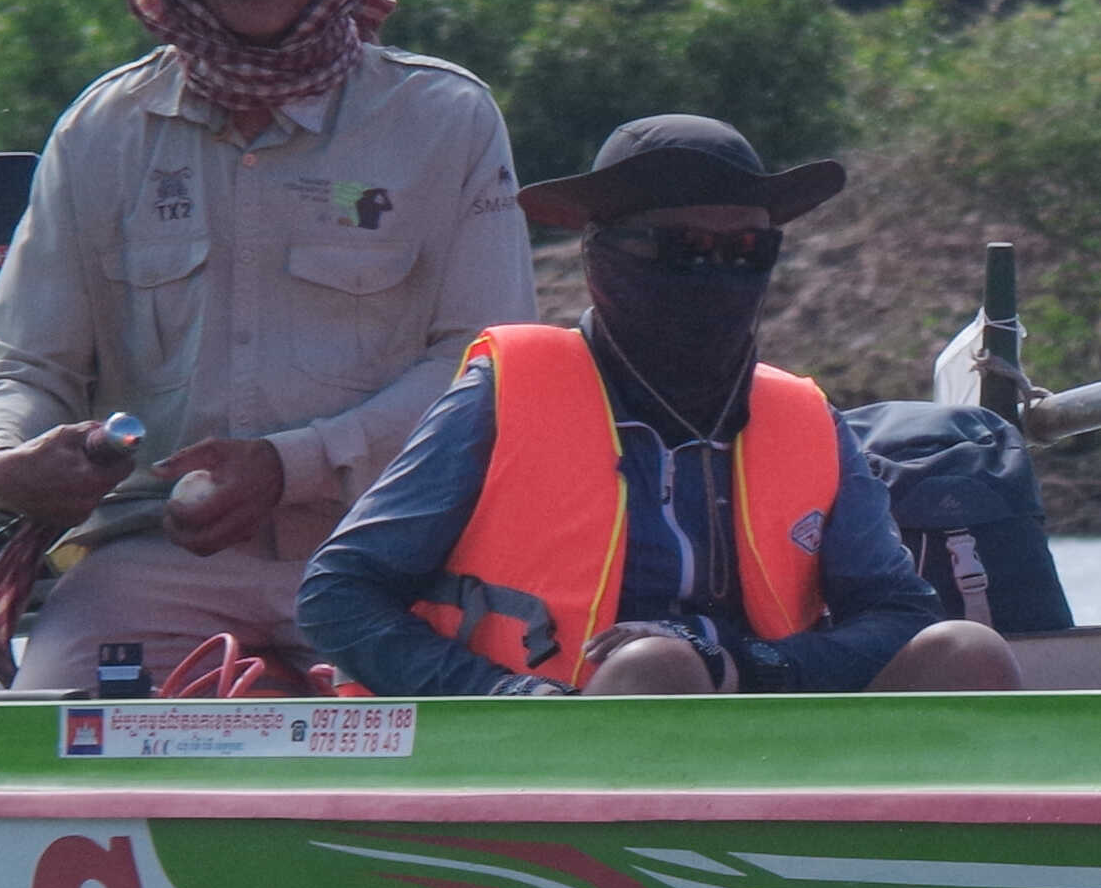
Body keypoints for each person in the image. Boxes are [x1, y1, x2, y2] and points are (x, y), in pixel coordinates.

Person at [0, 0, 524, 690]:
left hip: (390, 553)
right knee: (45, 733)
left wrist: (291, 466)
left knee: (490, 728)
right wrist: (6, 461)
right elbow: (24, 366)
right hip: (155, 561)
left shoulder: (443, 119)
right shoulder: (104, 131)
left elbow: (484, 372)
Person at [297, 116, 1021, 698]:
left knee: (966, 651)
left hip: (767, 732)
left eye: (745, 250)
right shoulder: (506, 395)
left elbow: (900, 614)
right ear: (601, 258)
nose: (715, 273)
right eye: (683, 249)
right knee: (658, 672)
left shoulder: (803, 418)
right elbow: (340, 593)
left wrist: (746, 666)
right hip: (553, 748)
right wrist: (507, 698)